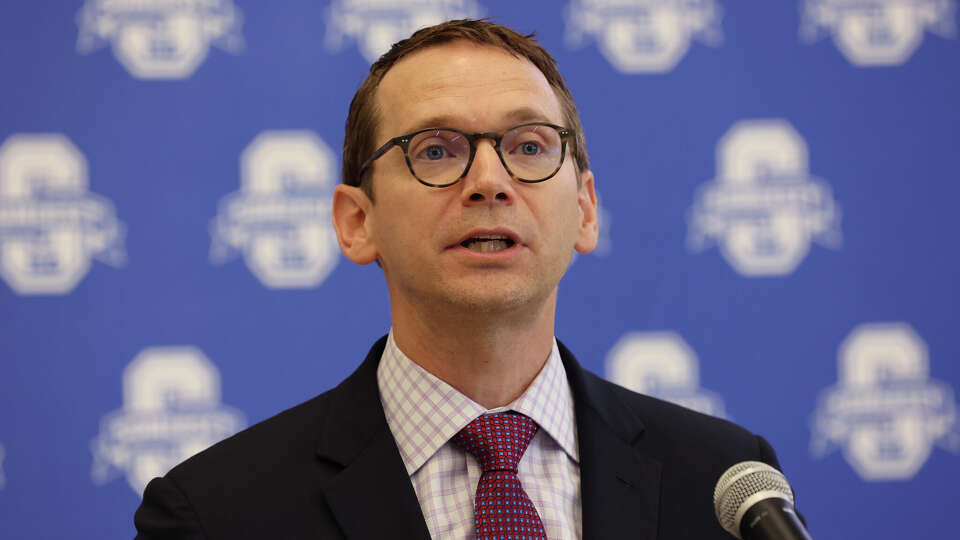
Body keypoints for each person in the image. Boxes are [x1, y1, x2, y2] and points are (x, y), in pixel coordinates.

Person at [134, 19, 786, 539]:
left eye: (529, 145)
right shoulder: (217, 516)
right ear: (357, 221)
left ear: (585, 210)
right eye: (437, 151)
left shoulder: (727, 488)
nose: (490, 183)